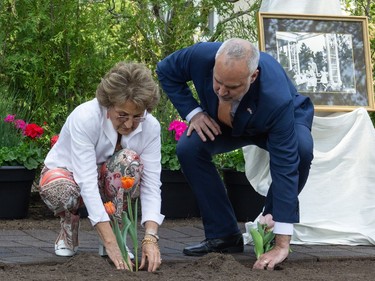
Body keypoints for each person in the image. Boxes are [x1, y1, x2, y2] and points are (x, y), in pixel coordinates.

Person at [156, 38, 314, 270]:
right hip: (223, 121)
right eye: (217, 82)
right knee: (189, 148)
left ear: (253, 77)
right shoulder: (200, 55)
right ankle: (224, 235)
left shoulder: (276, 99)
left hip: (271, 122)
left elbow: (285, 166)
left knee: (301, 149)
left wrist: (283, 243)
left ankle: (269, 226)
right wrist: (194, 113)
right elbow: (165, 70)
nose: (221, 90)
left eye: (231, 87)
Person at [38, 62, 164, 272]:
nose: (129, 124)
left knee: (129, 162)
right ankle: (69, 223)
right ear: (108, 105)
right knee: (59, 188)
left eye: (137, 116)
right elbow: (86, 181)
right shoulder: (86, 117)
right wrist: (110, 244)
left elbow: (152, 184)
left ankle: (118, 228)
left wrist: (151, 237)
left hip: (107, 180)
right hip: (70, 176)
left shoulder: (151, 127)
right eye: (122, 114)